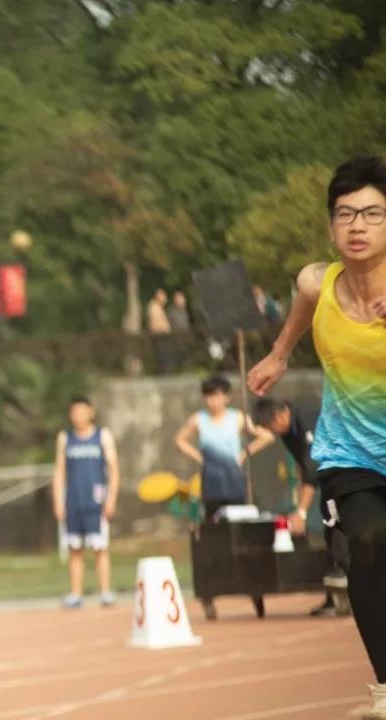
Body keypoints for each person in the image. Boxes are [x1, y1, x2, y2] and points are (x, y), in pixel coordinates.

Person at [248, 156, 386, 718]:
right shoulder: (316, 280)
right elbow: (305, 305)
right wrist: (279, 355)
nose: (357, 226)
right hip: (349, 453)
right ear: (331, 227)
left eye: (372, 214)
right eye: (345, 214)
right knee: (369, 541)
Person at [175, 374, 273, 619]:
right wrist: (200, 458)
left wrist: (244, 453)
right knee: (212, 538)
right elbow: (180, 440)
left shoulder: (237, 417)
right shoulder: (198, 420)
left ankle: (255, 592)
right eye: (210, 396)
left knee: (243, 537)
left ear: (226, 397)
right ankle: (209, 595)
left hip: (236, 485)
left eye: (218, 395)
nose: (214, 401)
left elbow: (266, 436)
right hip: (211, 487)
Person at [254, 396, 349, 617]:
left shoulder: (307, 422)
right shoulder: (287, 431)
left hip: (349, 475)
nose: (272, 431)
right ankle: (335, 597)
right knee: (332, 531)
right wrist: (298, 503)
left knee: (339, 534)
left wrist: (302, 512)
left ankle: (348, 587)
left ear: (281, 415)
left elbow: (311, 471)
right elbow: (300, 465)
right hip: (330, 481)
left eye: (271, 426)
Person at [51, 396, 120, 609]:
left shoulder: (102, 436)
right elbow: (59, 471)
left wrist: (111, 498)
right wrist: (58, 501)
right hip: (73, 501)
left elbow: (114, 469)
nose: (79, 416)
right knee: (75, 549)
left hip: (96, 501)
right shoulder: (65, 438)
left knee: (100, 548)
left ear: (91, 412)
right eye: (75, 412)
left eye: (82, 411)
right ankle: (76, 593)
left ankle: (105, 592)